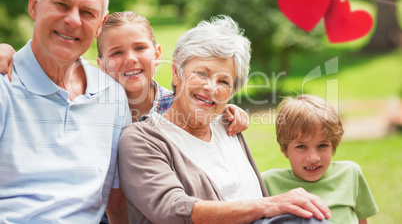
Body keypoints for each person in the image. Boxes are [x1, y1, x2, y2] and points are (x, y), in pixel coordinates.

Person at [118, 15, 332, 224]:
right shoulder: (140, 139)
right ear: (176, 73)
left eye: (223, 81)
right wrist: (266, 205)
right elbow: (172, 209)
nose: (211, 88)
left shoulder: (228, 124)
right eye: (201, 73)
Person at [0, 0, 132, 223]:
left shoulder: (112, 95)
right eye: (62, 4)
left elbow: (117, 201)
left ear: (100, 24)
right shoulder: (4, 86)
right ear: (34, 4)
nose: (73, 20)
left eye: (87, 12)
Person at [95, 11, 250, 223]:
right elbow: (113, 197)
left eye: (139, 48)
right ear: (101, 65)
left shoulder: (175, 104)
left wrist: (226, 110)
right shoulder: (97, 119)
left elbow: (204, 103)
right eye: (116, 53)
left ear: (157, 55)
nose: (130, 58)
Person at [261, 94, 379, 224]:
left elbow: (362, 220)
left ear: (333, 146)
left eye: (322, 145)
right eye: (301, 146)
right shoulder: (268, 182)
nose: (313, 158)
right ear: (284, 149)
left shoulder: (350, 173)